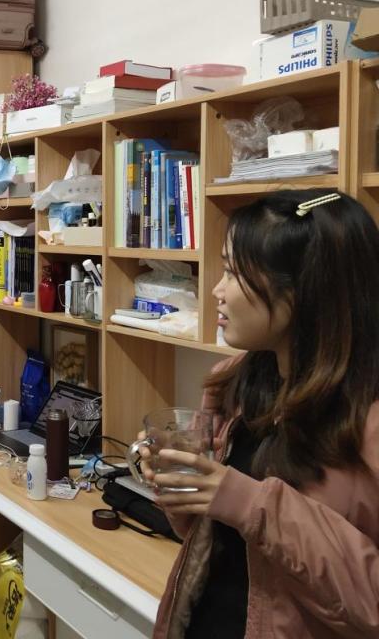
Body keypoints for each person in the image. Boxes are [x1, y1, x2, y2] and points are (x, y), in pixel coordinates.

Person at [142, 190, 379, 638]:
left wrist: (249, 503)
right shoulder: (234, 382)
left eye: (234, 272)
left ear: (302, 291)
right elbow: (204, 535)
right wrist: (178, 479)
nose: (217, 290)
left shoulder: (366, 422)